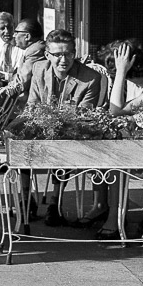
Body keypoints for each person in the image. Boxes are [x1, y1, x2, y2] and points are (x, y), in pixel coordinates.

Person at [27, 28, 102, 226]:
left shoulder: (90, 78)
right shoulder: (38, 69)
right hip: (40, 127)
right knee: (20, 139)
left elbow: (82, 117)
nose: (63, 60)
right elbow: (32, 105)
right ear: (47, 55)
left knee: (64, 141)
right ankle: (25, 202)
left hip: (70, 132)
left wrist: (55, 124)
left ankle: (55, 202)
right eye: (57, 54)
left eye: (68, 53)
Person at [86, 39, 143, 239]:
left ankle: (116, 219)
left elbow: (116, 110)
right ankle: (101, 205)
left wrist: (122, 72)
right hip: (135, 142)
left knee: (117, 152)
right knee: (100, 140)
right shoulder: (129, 80)